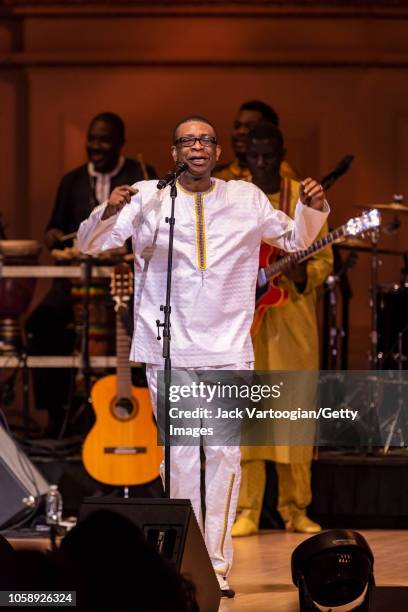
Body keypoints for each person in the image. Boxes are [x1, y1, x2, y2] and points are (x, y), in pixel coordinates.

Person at [77, 115, 329, 597]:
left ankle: (215, 564)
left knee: (224, 457)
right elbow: (91, 244)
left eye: (207, 139)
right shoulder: (148, 196)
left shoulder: (245, 198)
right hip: (165, 345)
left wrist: (313, 209)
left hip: (229, 347)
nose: (198, 146)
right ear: (174, 152)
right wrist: (107, 210)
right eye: (187, 140)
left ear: (216, 152)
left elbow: (295, 240)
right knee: (178, 462)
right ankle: (183, 562)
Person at [26, 112, 157, 436]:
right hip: (77, 281)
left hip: (125, 280)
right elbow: (54, 228)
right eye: (92, 139)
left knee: (151, 333)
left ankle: (145, 420)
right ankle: (58, 416)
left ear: (120, 144)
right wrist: (55, 235)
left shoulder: (140, 176)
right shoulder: (71, 180)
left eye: (105, 140)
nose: (96, 147)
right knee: (42, 325)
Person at [232, 122, 333, 537]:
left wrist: (301, 267)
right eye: (252, 157)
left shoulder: (302, 198)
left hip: (293, 319)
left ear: (281, 153)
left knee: (293, 412)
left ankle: (295, 509)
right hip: (244, 320)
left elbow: (324, 261)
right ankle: (246, 511)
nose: (259, 164)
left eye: (267, 156)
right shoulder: (233, 197)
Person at [214, 100, 296, 182]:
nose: (240, 132)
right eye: (237, 126)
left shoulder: (282, 174)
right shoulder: (218, 174)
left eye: (250, 127)